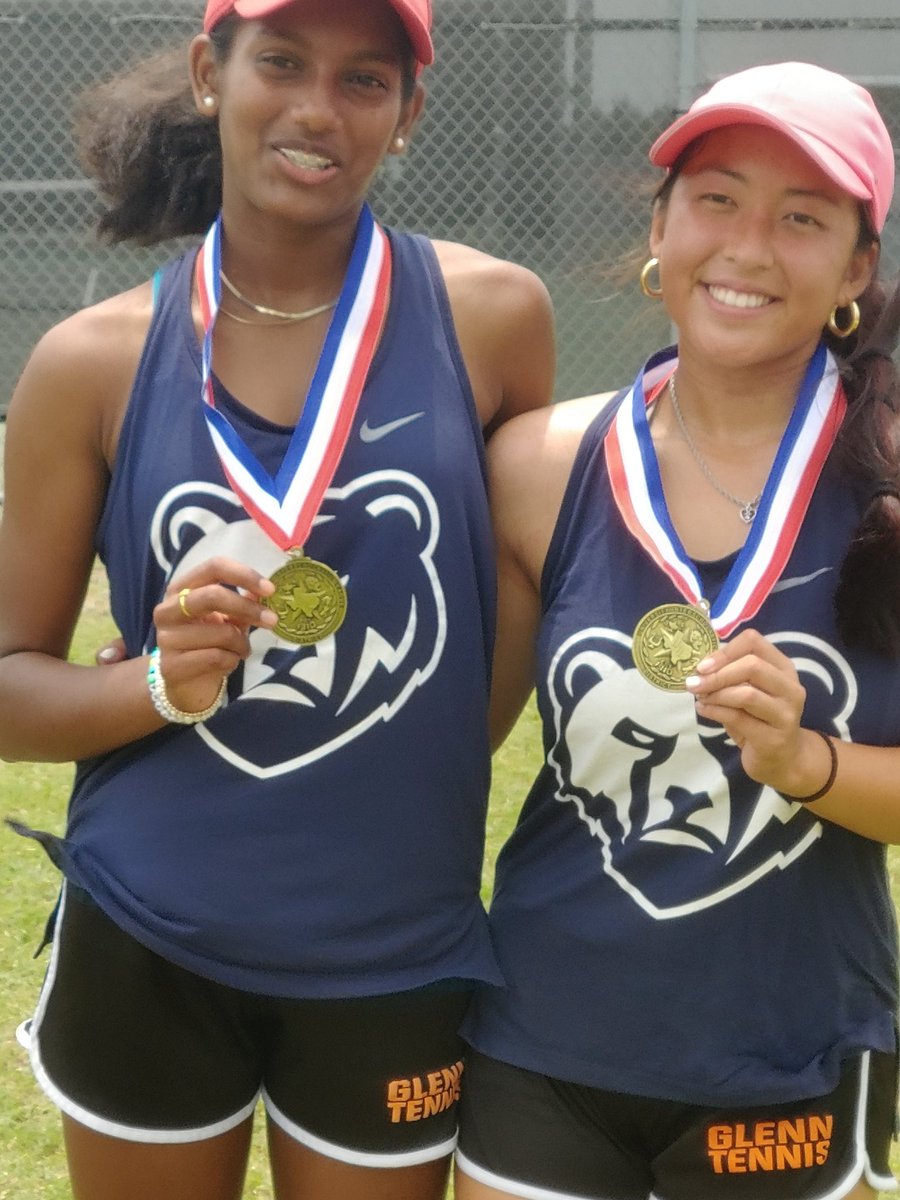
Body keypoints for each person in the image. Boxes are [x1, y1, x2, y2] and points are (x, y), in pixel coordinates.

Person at [0, 1, 554, 1197]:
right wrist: (155, 684)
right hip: (153, 935)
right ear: (212, 73)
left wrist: (410, 769)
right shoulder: (90, 361)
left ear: (408, 116)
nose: (317, 109)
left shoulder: (496, 320)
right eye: (283, 63)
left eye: (365, 80)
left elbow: (498, 624)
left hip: (393, 948)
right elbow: (8, 691)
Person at [454, 61, 900, 1200]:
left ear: (857, 268)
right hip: (545, 1035)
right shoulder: (538, 467)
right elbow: (445, 741)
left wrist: (812, 763)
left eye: (802, 218)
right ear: (660, 227)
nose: (749, 247)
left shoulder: (889, 485)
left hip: (789, 1052)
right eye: (717, 199)